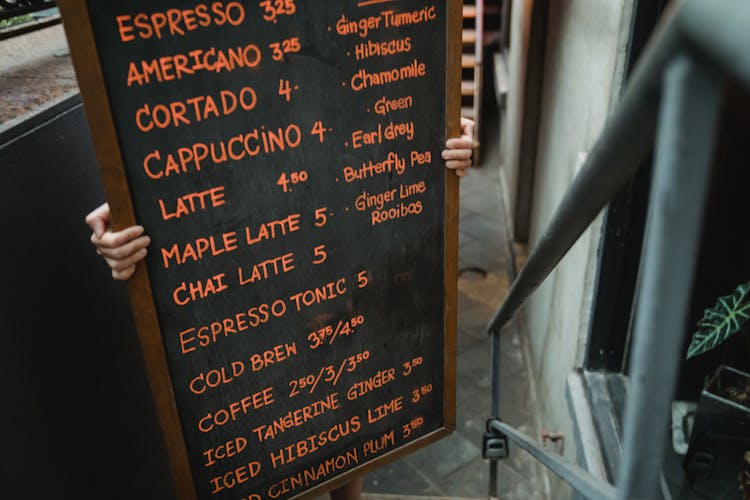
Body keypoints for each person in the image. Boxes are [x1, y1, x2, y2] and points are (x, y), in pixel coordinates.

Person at [85, 118, 475, 500]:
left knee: (353, 421)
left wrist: (441, 129)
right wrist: (126, 212)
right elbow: (168, 161)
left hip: (344, 265)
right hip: (256, 299)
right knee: (288, 450)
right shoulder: (185, 105)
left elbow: (374, 107)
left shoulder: (324, 94)